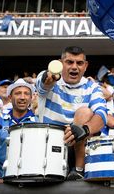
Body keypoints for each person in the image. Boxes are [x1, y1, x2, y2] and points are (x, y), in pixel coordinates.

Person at [36, 46, 107, 180]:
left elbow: (102, 115)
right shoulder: (50, 79)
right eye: (69, 62)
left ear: (85, 66)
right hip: (50, 144)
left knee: (85, 112)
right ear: (60, 63)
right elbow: (44, 84)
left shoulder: (93, 87)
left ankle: (78, 170)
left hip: (78, 144)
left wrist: (84, 130)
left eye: (79, 63)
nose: (74, 67)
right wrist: (49, 78)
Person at [0, 79, 37, 183]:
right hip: (3, 181)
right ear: (10, 97)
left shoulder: (39, 122)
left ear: (31, 98)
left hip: (30, 181)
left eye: (26, 94)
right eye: (18, 93)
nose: (22, 97)